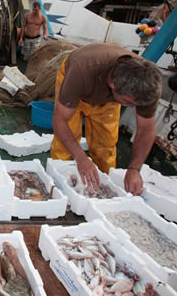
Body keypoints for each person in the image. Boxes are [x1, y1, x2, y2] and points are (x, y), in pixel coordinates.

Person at [50, 43, 162, 196]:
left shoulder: (147, 86)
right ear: (112, 84)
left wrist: (134, 168)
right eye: (128, 103)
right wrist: (81, 157)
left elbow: (146, 129)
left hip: (109, 98)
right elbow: (59, 120)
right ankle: (62, 187)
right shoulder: (81, 70)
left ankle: (100, 188)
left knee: (106, 146)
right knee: (64, 148)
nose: (132, 107)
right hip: (79, 80)